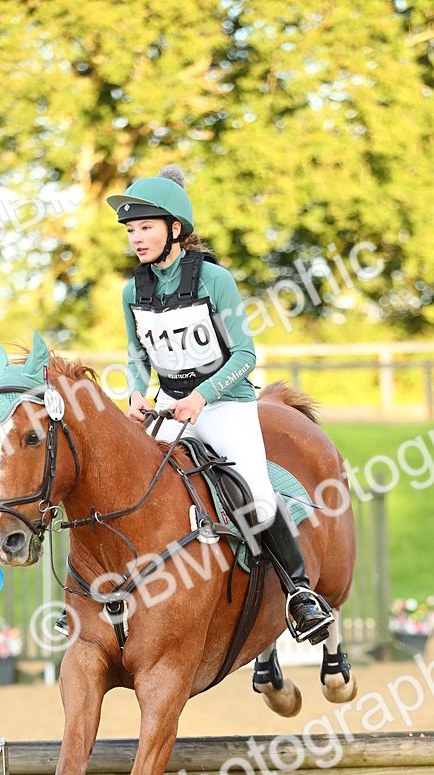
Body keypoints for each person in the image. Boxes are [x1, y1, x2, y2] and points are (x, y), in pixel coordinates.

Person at [106, 165, 333, 644]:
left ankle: (299, 594)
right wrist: (134, 392)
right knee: (129, 486)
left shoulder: (215, 280)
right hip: (169, 405)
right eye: (130, 230)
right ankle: (105, 597)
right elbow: (136, 356)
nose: (136, 239)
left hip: (225, 403)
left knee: (255, 494)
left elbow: (246, 355)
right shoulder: (133, 290)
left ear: (175, 229)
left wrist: (201, 397)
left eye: (145, 227)